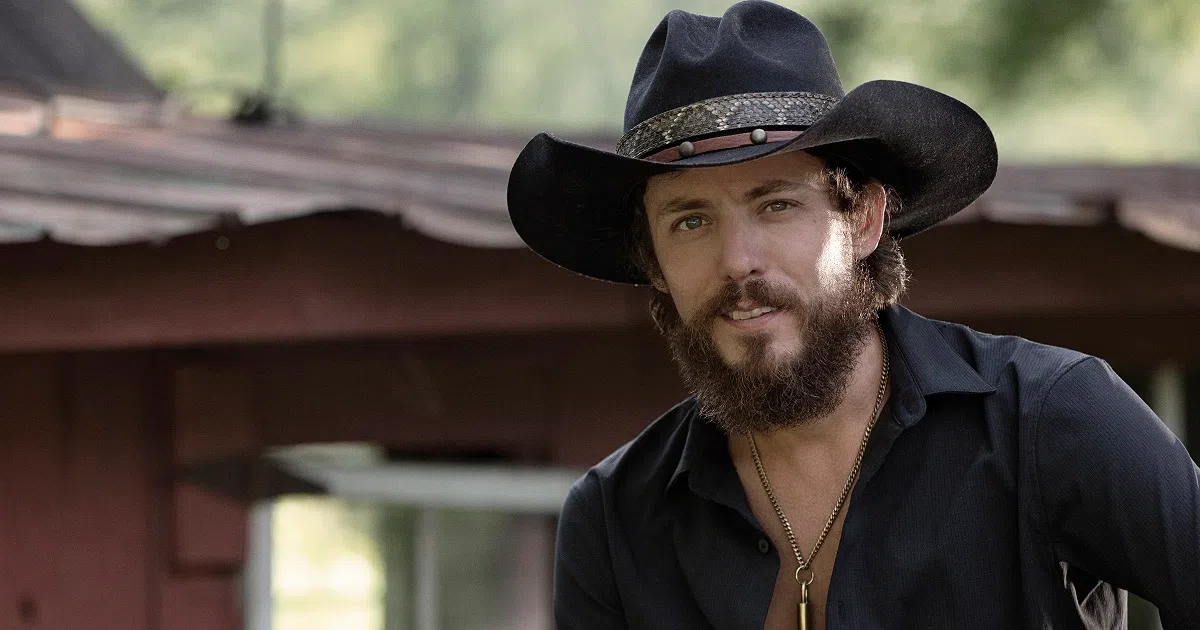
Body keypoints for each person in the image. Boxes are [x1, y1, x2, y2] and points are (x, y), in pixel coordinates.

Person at [505, 2, 1200, 628]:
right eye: (690, 222)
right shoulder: (615, 522)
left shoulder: (1049, 421)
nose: (738, 262)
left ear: (864, 218)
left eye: (777, 204)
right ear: (653, 262)